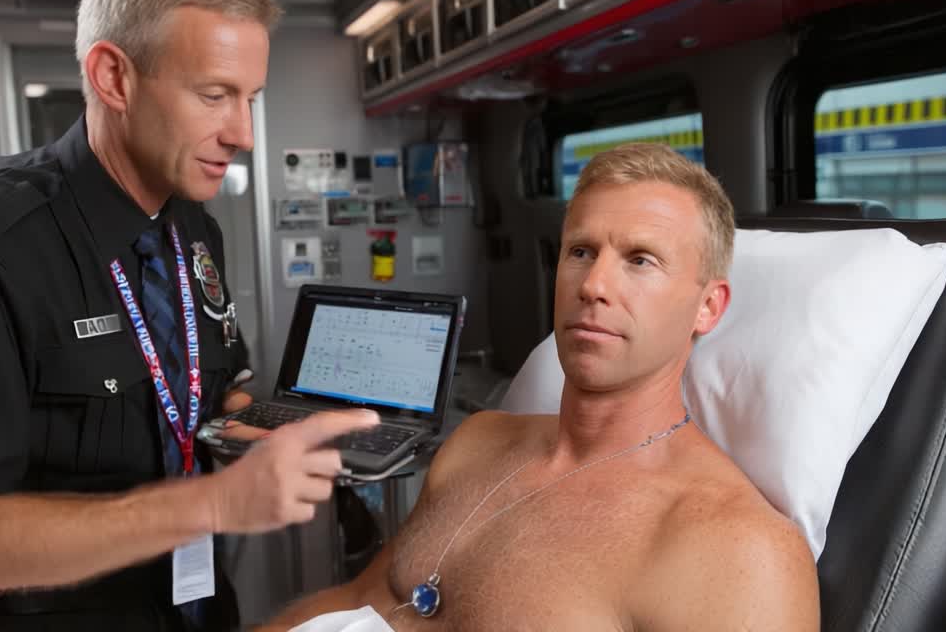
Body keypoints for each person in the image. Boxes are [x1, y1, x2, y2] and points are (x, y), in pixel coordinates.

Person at [0, 0, 377, 632]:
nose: (243, 134)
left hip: (193, 608)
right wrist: (215, 504)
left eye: (250, 98)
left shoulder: (192, 226)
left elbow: (209, 387)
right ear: (114, 77)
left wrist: (259, 429)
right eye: (215, 94)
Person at [261, 143, 820, 631]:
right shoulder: (476, 444)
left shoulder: (740, 550)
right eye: (581, 252)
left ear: (708, 307)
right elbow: (359, 601)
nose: (594, 284)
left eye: (640, 260)